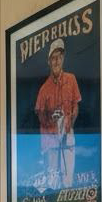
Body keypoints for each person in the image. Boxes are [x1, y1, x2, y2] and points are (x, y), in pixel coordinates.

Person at [34, 38, 80, 190]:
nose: (56, 61)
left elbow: (75, 105)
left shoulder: (71, 79)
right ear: (49, 61)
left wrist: (69, 123)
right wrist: (51, 120)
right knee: (53, 182)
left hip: (67, 131)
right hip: (50, 137)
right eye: (53, 58)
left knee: (68, 180)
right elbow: (40, 115)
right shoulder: (43, 89)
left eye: (59, 57)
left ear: (63, 58)